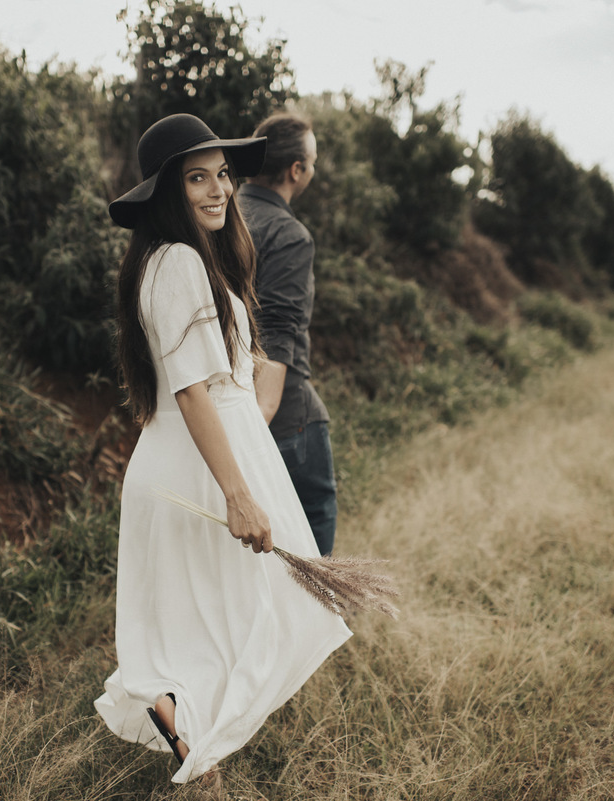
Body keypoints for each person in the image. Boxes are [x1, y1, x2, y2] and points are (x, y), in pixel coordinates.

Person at [94, 113, 352, 787]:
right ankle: (183, 735)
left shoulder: (178, 260)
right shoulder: (176, 261)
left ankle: (181, 728)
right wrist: (239, 494)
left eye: (222, 175)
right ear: (166, 192)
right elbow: (191, 392)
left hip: (198, 463)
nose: (218, 190)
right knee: (229, 630)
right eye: (197, 178)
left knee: (220, 630)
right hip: (200, 473)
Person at [237, 113, 337, 556]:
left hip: (222, 399)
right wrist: (254, 428)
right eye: (312, 161)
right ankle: (316, 618)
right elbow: (277, 335)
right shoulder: (289, 235)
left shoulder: (220, 213)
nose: (313, 170)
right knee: (311, 519)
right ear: (296, 169)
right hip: (279, 410)